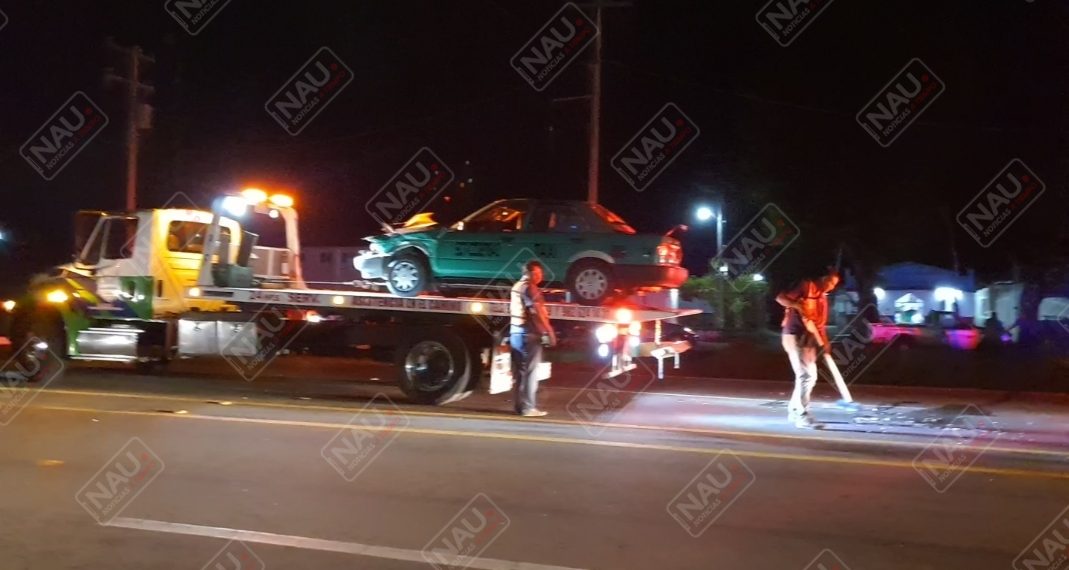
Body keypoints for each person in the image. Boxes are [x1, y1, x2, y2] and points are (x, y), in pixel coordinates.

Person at [775, 267, 840, 429]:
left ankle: (794, 409)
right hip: (794, 335)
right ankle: (802, 415)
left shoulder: (822, 298)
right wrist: (796, 305)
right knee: (805, 375)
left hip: (809, 339)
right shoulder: (806, 286)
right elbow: (780, 298)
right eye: (831, 282)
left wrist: (825, 343)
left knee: (810, 376)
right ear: (823, 278)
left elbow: (820, 325)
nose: (832, 287)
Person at [509, 260, 557, 417]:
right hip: (529, 333)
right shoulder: (530, 287)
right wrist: (548, 331)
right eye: (537, 273)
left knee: (520, 372)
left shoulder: (516, 286)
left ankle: (519, 406)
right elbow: (536, 311)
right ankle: (529, 407)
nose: (540, 276)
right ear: (529, 273)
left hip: (515, 332)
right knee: (531, 371)